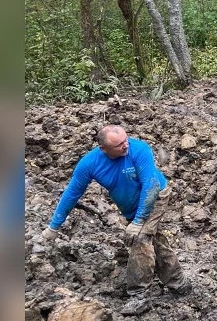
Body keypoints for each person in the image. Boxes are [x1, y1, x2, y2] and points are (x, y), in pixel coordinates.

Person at [41, 125, 190, 296]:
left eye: (125, 140)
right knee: (155, 241)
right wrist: (54, 227)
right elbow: (72, 194)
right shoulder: (90, 164)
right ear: (103, 148)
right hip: (131, 205)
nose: (125, 145)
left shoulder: (139, 149)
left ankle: (138, 293)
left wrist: (138, 221)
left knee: (139, 238)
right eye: (119, 145)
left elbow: (151, 185)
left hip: (156, 196)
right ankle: (179, 284)